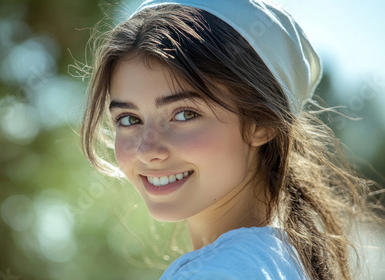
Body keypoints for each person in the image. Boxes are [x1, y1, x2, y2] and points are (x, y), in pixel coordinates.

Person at [80, 0, 380, 279]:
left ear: (261, 122)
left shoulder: (216, 272)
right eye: (129, 119)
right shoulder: (282, 262)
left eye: (184, 114)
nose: (147, 150)